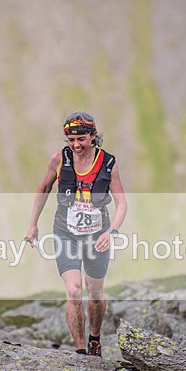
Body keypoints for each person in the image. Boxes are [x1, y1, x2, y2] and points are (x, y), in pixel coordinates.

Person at [25, 111, 128, 357]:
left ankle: (95, 339)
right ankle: (80, 351)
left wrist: (112, 232)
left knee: (94, 292)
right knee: (73, 290)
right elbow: (44, 188)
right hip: (65, 233)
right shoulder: (58, 160)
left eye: (81, 139)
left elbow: (122, 204)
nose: (76, 145)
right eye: (70, 140)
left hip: (97, 236)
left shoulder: (108, 163)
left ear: (93, 136)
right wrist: (32, 224)